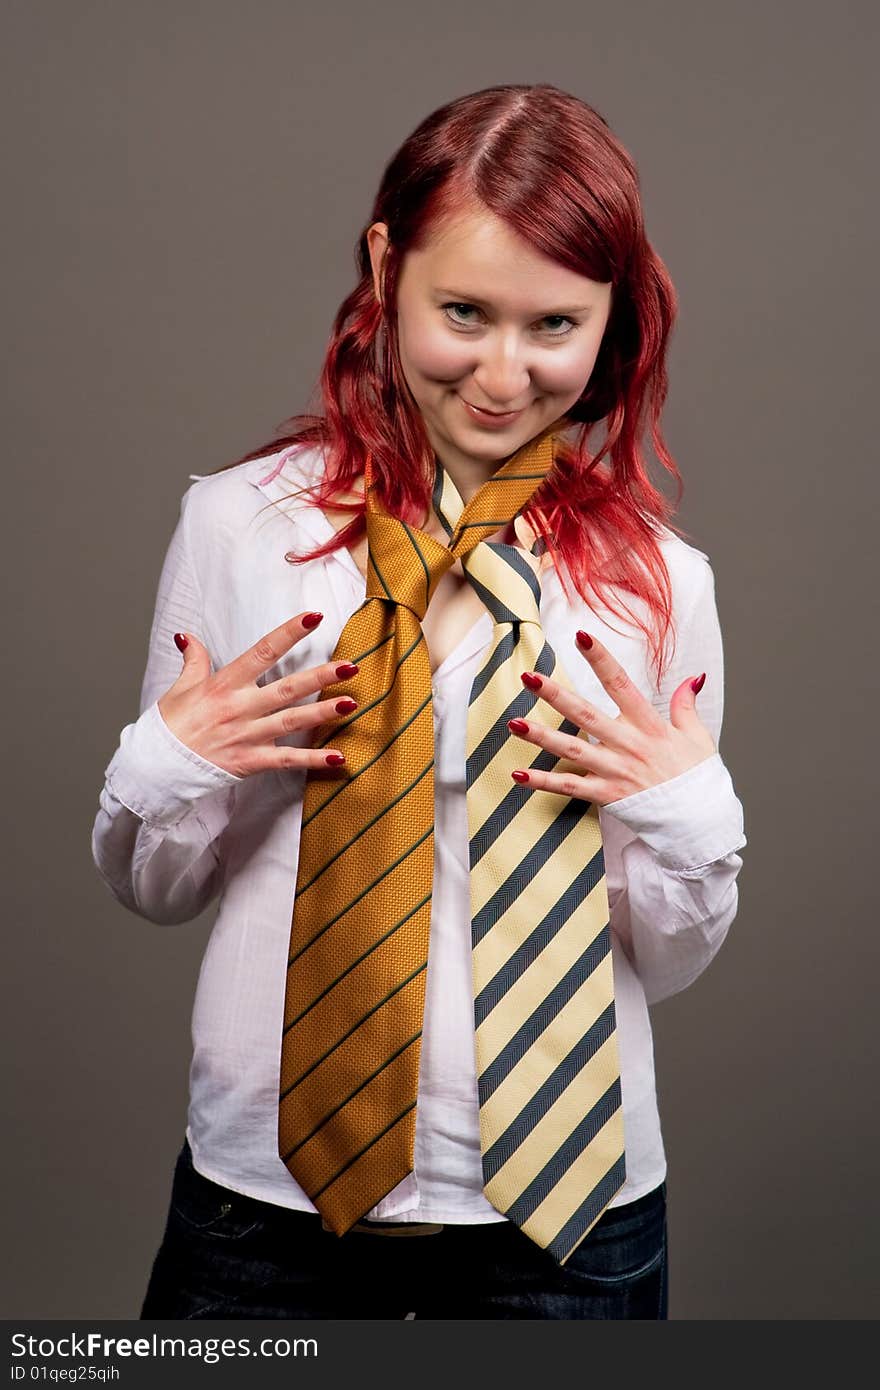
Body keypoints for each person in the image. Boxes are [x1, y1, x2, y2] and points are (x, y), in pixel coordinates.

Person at [91, 82, 746, 1320]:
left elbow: (662, 958)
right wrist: (175, 758)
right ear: (385, 266)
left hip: (569, 1219)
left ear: (613, 322)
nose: (504, 375)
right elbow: (153, 888)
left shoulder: (659, 588)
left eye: (555, 324)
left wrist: (687, 809)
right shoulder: (241, 529)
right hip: (264, 1204)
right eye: (463, 312)